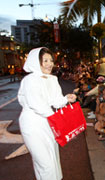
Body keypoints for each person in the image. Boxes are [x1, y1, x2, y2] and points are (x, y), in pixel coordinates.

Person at [17, 47, 77, 180]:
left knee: (52, 159)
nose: (49, 64)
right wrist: (57, 121)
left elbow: (56, 101)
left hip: (49, 123)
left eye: (51, 60)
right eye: (45, 60)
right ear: (35, 62)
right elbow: (36, 104)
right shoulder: (30, 80)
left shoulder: (53, 79)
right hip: (32, 124)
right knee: (45, 164)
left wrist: (66, 98)